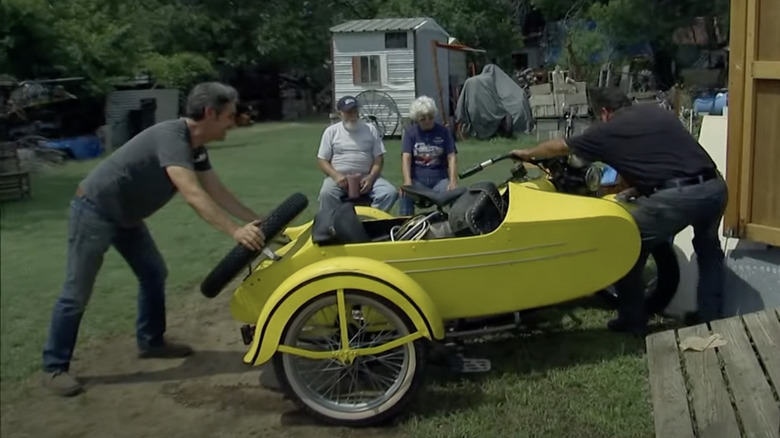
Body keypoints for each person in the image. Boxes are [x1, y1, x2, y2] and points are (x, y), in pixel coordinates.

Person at [41, 82, 268, 397]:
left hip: (126, 218)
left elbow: (216, 189)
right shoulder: (172, 137)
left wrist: (256, 218)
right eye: (228, 116)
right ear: (209, 113)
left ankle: (151, 341)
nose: (233, 122)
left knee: (153, 273)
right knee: (76, 291)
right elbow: (191, 192)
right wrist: (235, 231)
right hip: (94, 211)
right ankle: (54, 367)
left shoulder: (196, 147)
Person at [509, 87, 728, 335]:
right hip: (714, 188)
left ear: (604, 112)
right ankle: (710, 318)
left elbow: (561, 147)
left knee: (624, 243)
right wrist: (640, 187)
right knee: (709, 252)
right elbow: (664, 158)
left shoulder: (608, 130)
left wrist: (527, 152)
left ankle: (632, 320)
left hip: (678, 197)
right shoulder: (658, 113)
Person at [316, 95, 398, 212]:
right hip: (339, 177)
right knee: (326, 193)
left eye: (355, 111)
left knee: (389, 192)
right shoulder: (331, 132)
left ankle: (370, 221)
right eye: (348, 112)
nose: (353, 115)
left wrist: (371, 178)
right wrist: (336, 176)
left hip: (366, 176)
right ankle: (331, 224)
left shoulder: (370, 129)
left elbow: (378, 158)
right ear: (340, 114)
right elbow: (322, 160)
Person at [398, 96, 458, 216]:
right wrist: (407, 181)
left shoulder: (444, 132)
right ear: (417, 119)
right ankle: (405, 224)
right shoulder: (410, 133)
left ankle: (457, 223)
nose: (427, 121)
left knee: (455, 193)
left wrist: (452, 181)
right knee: (404, 193)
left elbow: (451, 157)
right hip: (418, 181)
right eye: (423, 119)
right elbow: (406, 158)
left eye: (430, 117)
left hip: (440, 180)